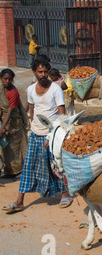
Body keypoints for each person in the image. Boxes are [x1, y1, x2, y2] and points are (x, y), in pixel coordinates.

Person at [2, 55, 73, 213]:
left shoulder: (55, 90)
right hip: (35, 133)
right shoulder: (30, 90)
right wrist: (30, 127)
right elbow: (32, 110)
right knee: (28, 166)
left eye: (45, 72)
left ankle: (66, 194)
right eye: (40, 72)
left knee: (56, 166)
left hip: (52, 134)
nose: (43, 75)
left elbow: (62, 115)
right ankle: (19, 201)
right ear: (34, 71)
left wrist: (56, 135)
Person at [0, 69, 29, 178]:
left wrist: (2, 128)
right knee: (6, 148)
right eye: (5, 79)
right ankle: (9, 171)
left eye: (10, 79)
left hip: (14, 122)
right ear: (1, 79)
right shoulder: (1, 89)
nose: (7, 81)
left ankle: (19, 171)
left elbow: (10, 111)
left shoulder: (14, 92)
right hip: (4, 120)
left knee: (16, 147)